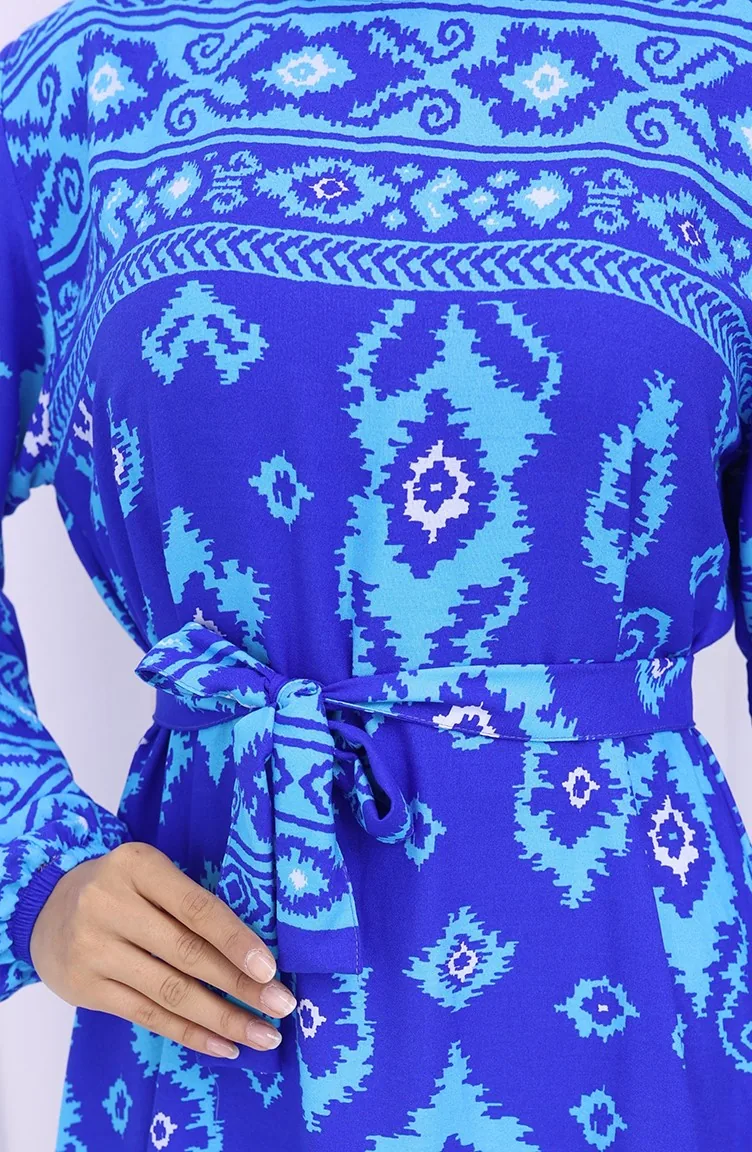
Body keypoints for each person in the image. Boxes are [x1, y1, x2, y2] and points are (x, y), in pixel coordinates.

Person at [1, 0, 752, 1147]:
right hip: (218, 989)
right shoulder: (84, 87)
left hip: (628, 992)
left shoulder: (726, 78)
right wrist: (33, 864)